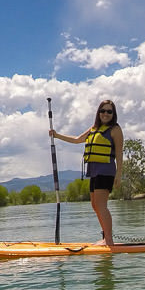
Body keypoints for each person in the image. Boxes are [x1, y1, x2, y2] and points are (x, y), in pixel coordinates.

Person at [50, 100, 123, 246]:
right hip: (94, 172)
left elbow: (120, 154)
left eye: (109, 111)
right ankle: (105, 238)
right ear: (98, 113)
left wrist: (119, 174)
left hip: (106, 171)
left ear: (113, 114)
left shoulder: (115, 129)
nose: (105, 114)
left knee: (101, 205)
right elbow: (77, 140)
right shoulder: (94, 128)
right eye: (103, 111)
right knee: (95, 205)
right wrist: (57, 135)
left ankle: (109, 240)